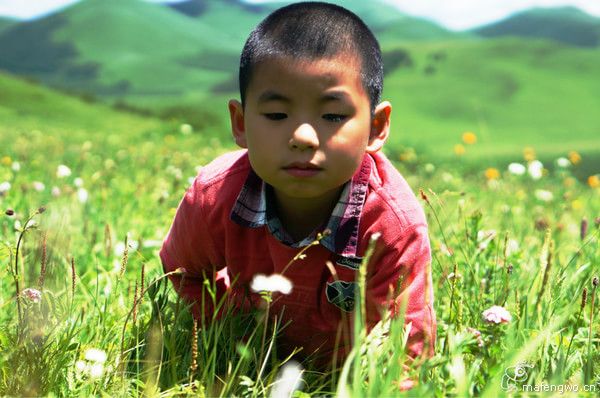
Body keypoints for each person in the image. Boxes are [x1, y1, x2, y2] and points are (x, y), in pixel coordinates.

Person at [160, 1, 435, 367]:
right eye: (276, 114)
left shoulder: (392, 227)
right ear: (240, 123)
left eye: (332, 115)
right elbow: (183, 272)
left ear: (376, 127)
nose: (303, 136)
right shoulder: (214, 197)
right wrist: (230, 335)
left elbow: (407, 354)